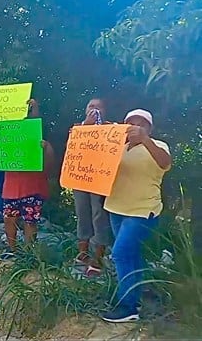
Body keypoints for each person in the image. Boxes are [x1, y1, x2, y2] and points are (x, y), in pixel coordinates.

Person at [101, 109, 171, 323]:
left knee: (120, 253)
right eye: (130, 123)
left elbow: (165, 163)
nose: (135, 127)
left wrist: (146, 140)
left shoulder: (158, 146)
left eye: (141, 124)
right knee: (132, 255)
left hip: (142, 210)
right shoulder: (117, 149)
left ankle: (128, 306)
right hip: (116, 208)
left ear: (149, 128)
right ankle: (137, 293)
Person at [0, 99, 56, 260]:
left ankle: (28, 253)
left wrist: (46, 149)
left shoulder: (41, 142)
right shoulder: (7, 139)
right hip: (11, 186)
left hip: (33, 186)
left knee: (30, 221)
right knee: (9, 219)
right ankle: (12, 250)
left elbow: (50, 166)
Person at [73, 98, 113, 276]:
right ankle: (82, 253)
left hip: (100, 180)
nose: (94, 109)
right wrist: (85, 126)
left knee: (99, 216)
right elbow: (71, 148)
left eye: (98, 106)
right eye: (91, 106)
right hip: (80, 177)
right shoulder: (77, 128)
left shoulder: (112, 129)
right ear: (85, 110)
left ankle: (98, 257)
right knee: (82, 213)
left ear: (105, 110)